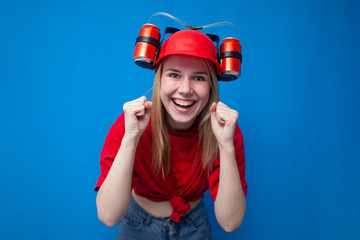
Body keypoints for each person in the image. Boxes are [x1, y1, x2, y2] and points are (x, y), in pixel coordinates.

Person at [94, 29, 247, 239]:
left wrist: (226, 147)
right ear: (159, 79)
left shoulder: (224, 129)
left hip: (195, 227)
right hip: (138, 225)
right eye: (174, 75)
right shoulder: (130, 124)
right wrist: (131, 138)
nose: (185, 89)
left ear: (211, 86)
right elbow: (108, 215)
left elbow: (230, 223)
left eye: (199, 78)